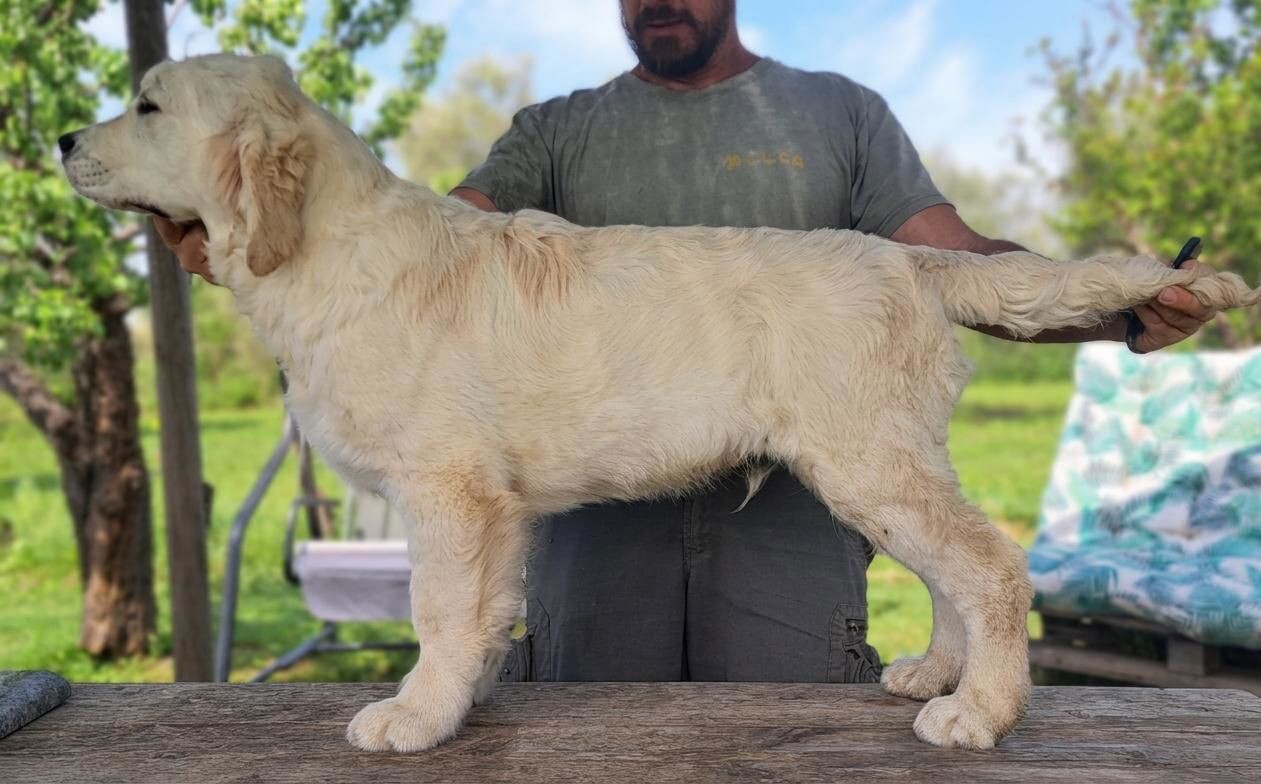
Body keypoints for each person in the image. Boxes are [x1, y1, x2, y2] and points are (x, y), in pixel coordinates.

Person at [156, 0, 1217, 684]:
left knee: (798, 739)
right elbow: (424, 257)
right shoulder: (554, 128)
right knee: (591, 743)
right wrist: (252, 228)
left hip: (788, 543)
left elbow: (958, 264)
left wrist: (1114, 308)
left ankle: (974, 640)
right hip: (592, 546)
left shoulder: (838, 112)